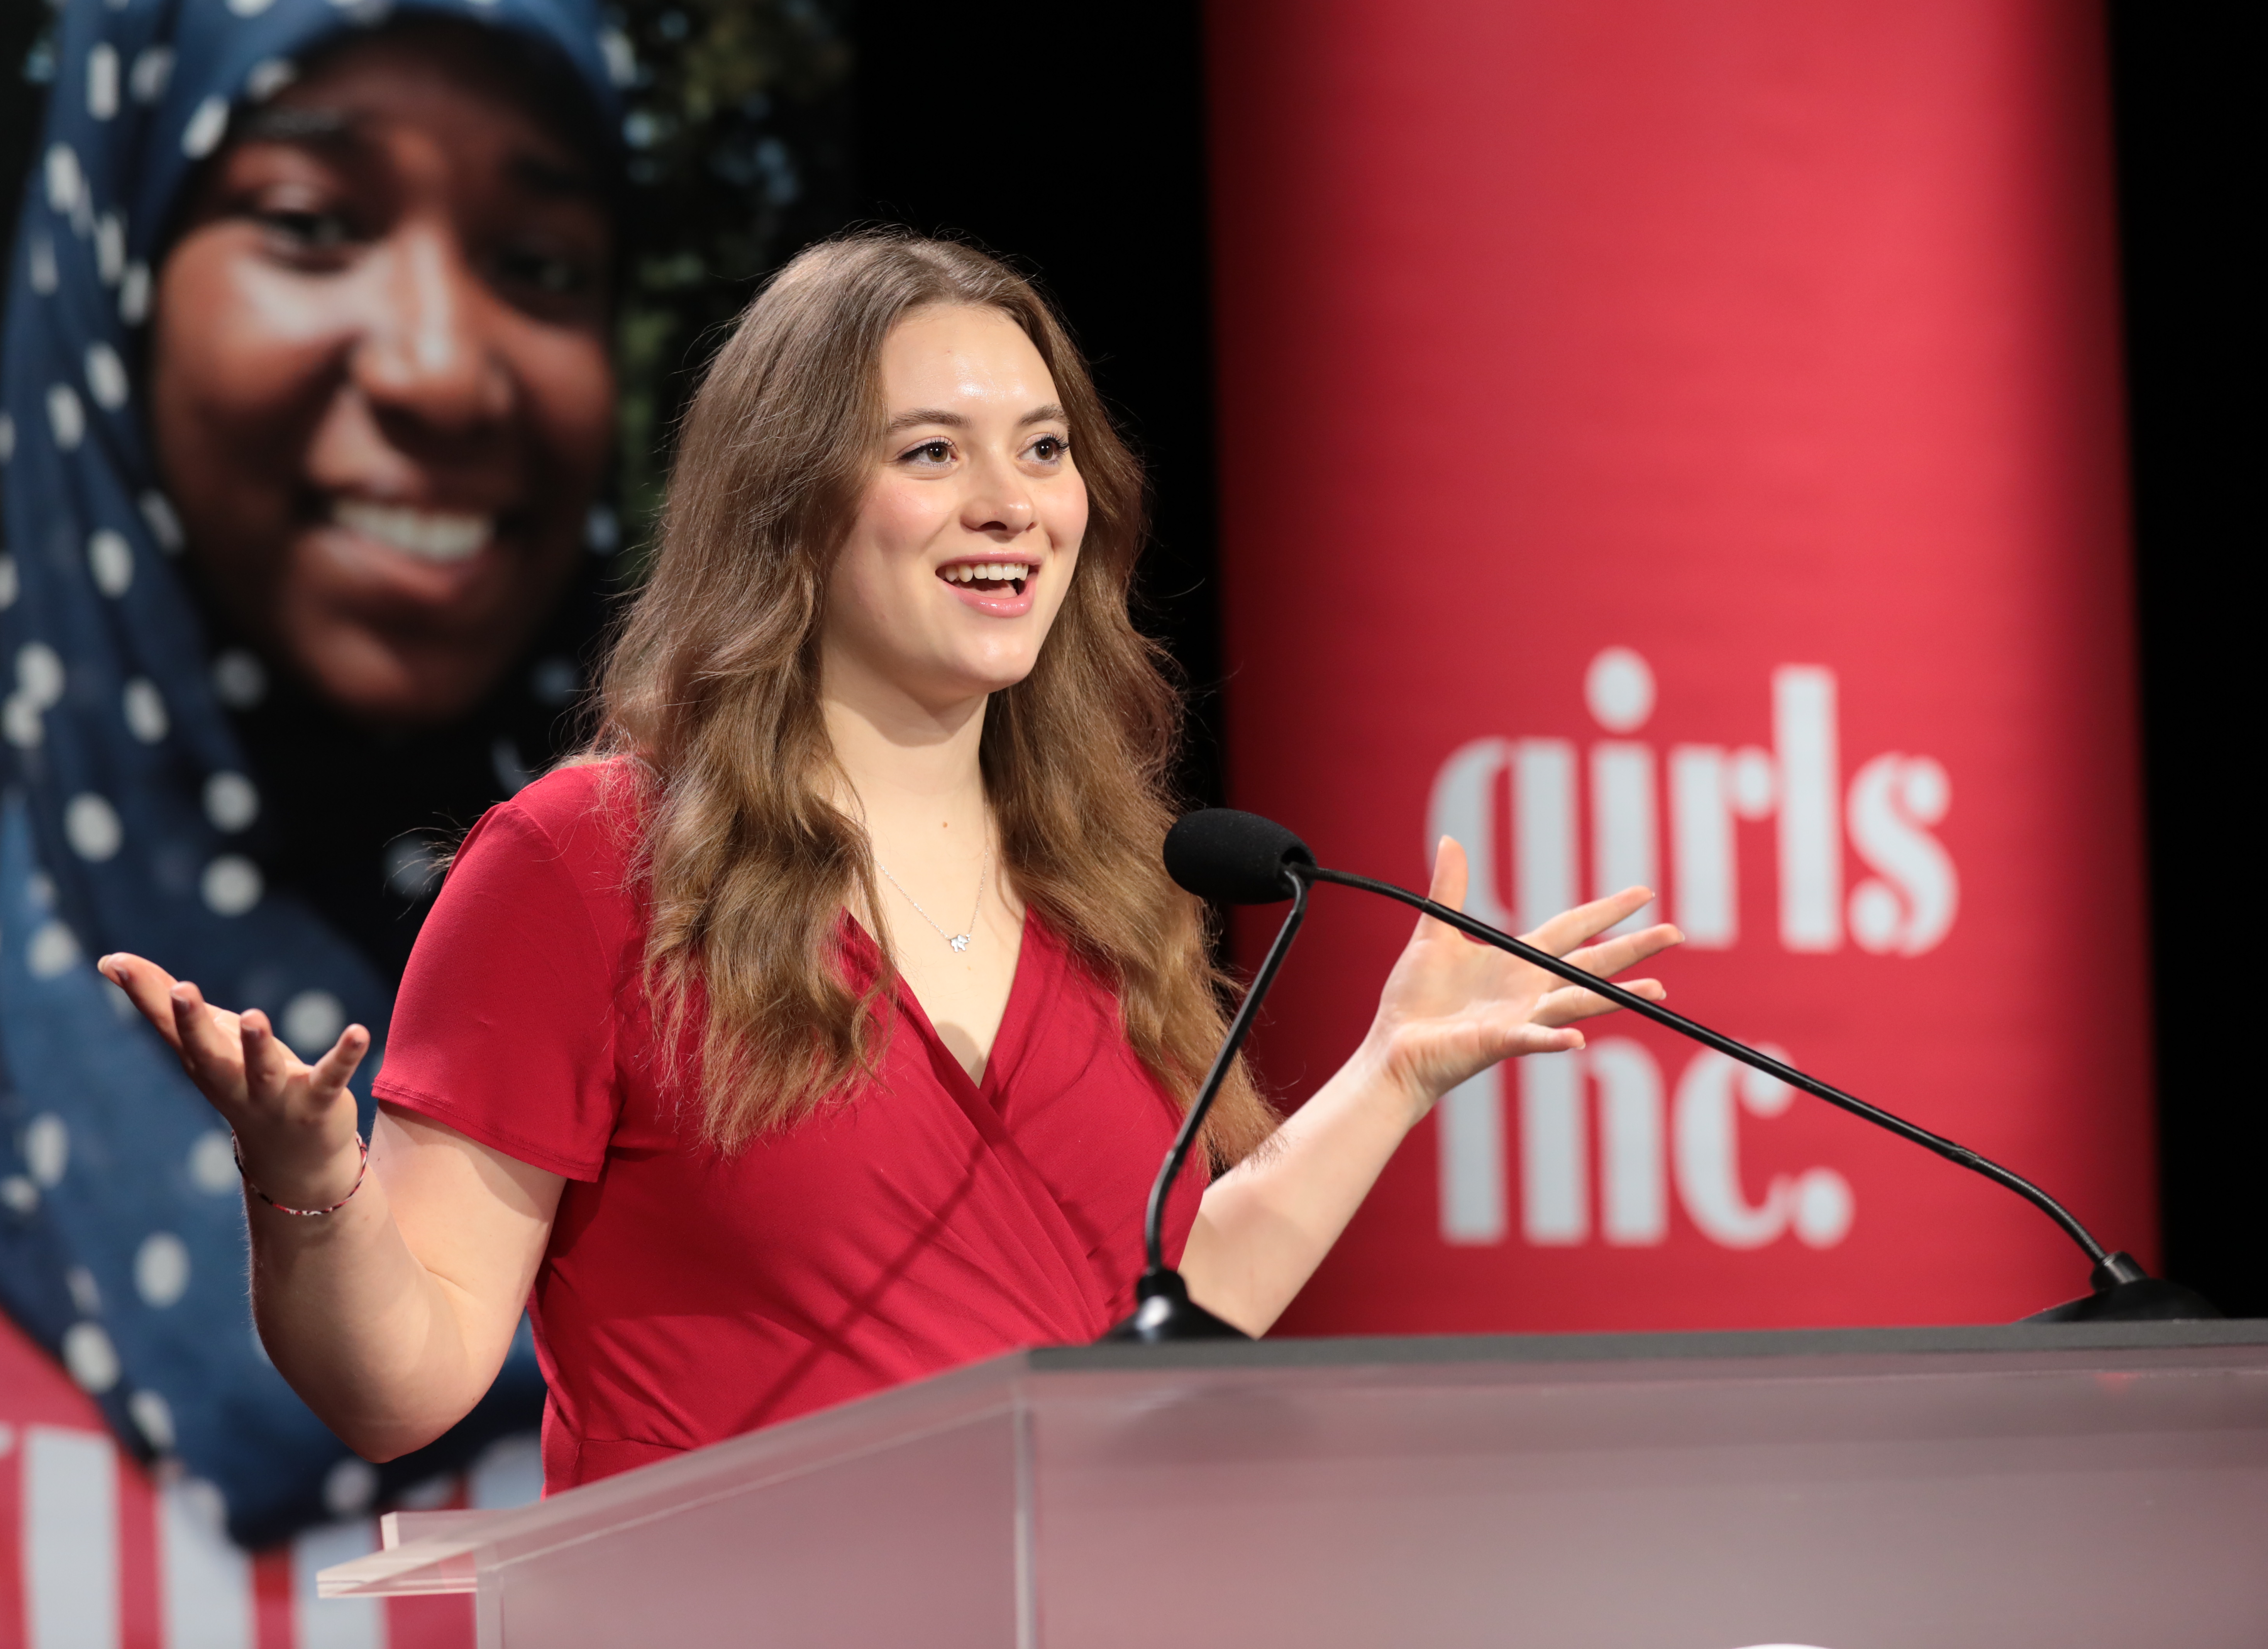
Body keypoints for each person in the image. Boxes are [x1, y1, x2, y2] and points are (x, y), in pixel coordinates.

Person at [103, 233, 1684, 1493]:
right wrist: (307, 1192)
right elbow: (410, 1377)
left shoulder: (1109, 876)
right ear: (790, 508)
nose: (1011, 504)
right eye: (932, 452)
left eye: (1045, 448)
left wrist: (1391, 1075)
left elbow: (1152, 1314)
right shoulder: (586, 867)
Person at [0, 0, 628, 1640]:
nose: (443, 364)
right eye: (310, 223)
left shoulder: (742, 996)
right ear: (109, 275)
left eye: (539, 255)